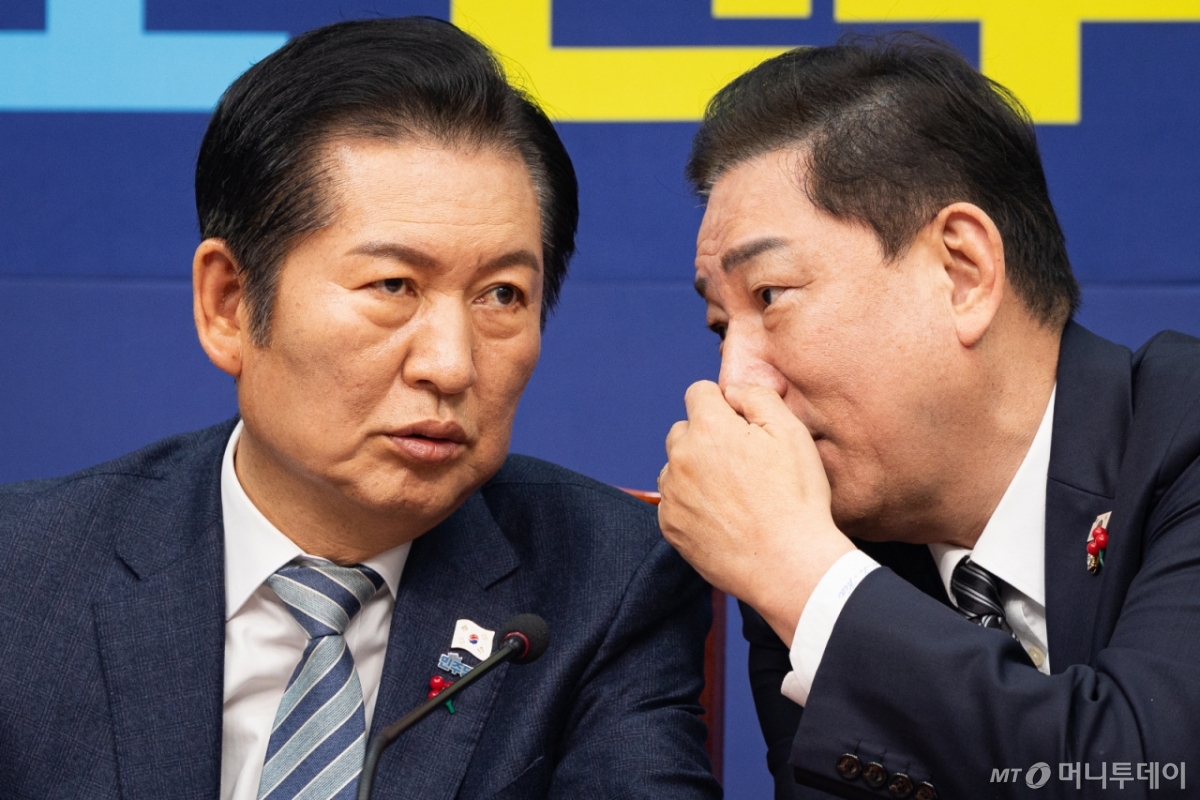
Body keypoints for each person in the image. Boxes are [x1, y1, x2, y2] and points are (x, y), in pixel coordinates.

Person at [0, 17, 720, 800]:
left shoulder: (605, 584)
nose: (449, 365)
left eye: (501, 295)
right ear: (229, 304)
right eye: (393, 286)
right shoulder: (24, 576)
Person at [658, 36, 1200, 800]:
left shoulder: (1183, 434)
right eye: (721, 326)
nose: (735, 381)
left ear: (962, 272)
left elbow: (1150, 772)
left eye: (770, 296)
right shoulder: (826, 543)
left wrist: (804, 576)